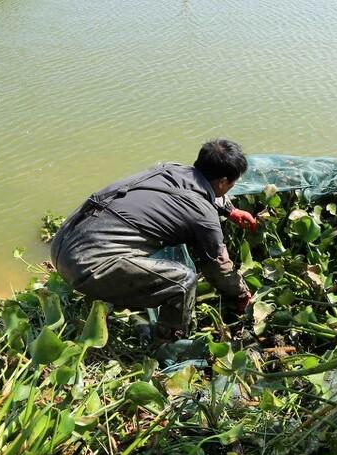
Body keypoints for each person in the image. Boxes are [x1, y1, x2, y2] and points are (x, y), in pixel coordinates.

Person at [50, 140, 257, 341]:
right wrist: (241, 295)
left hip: (62, 242)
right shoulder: (203, 215)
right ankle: (167, 343)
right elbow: (217, 268)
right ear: (222, 182)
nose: (231, 186)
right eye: (232, 182)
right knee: (184, 281)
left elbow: (205, 192)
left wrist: (230, 210)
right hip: (84, 267)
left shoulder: (169, 168)